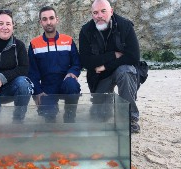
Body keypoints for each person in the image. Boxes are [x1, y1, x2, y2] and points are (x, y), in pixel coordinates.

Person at [79, 0, 141, 133]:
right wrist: (113, 54)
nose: (99, 15)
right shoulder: (86, 31)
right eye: (95, 13)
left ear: (111, 11)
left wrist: (105, 66)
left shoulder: (125, 26)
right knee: (100, 116)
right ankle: (104, 106)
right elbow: (86, 61)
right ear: (92, 14)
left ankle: (130, 117)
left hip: (118, 70)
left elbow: (133, 57)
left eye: (103, 11)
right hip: (99, 76)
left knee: (125, 71)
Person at [28, 6, 81, 123]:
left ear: (57, 19)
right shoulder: (34, 44)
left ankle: (69, 115)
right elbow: (32, 72)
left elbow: (76, 63)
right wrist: (37, 91)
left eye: (51, 18)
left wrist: (72, 73)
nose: (49, 22)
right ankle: (50, 112)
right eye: (45, 19)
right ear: (40, 22)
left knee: (72, 84)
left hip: (65, 83)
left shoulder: (68, 40)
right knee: (49, 116)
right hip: (47, 86)